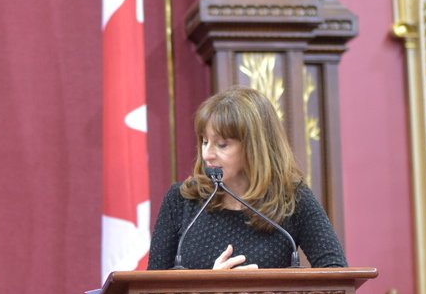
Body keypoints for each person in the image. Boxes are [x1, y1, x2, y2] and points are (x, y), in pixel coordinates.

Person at [148, 87, 346, 270]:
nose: (207, 154)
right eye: (205, 141)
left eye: (222, 144)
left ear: (254, 147)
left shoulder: (291, 198)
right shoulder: (182, 199)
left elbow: (336, 274)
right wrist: (207, 286)